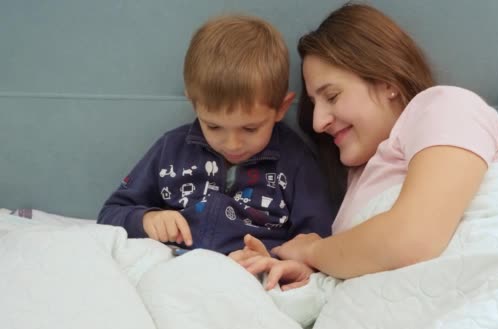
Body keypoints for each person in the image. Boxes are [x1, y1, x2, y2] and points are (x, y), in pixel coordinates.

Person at [233, 2, 498, 291]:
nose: (318, 122)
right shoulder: (359, 185)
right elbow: (366, 273)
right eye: (314, 105)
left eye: (331, 96)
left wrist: (314, 251)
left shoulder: (443, 106)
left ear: (386, 81)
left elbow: (412, 238)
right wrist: (311, 272)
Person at [97, 14, 333, 255]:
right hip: (176, 266)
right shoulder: (171, 149)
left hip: (251, 275)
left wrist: (274, 257)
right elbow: (111, 213)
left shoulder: (295, 161)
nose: (233, 144)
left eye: (250, 128)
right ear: (194, 103)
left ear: (281, 109)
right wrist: (147, 219)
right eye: (213, 126)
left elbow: (318, 240)